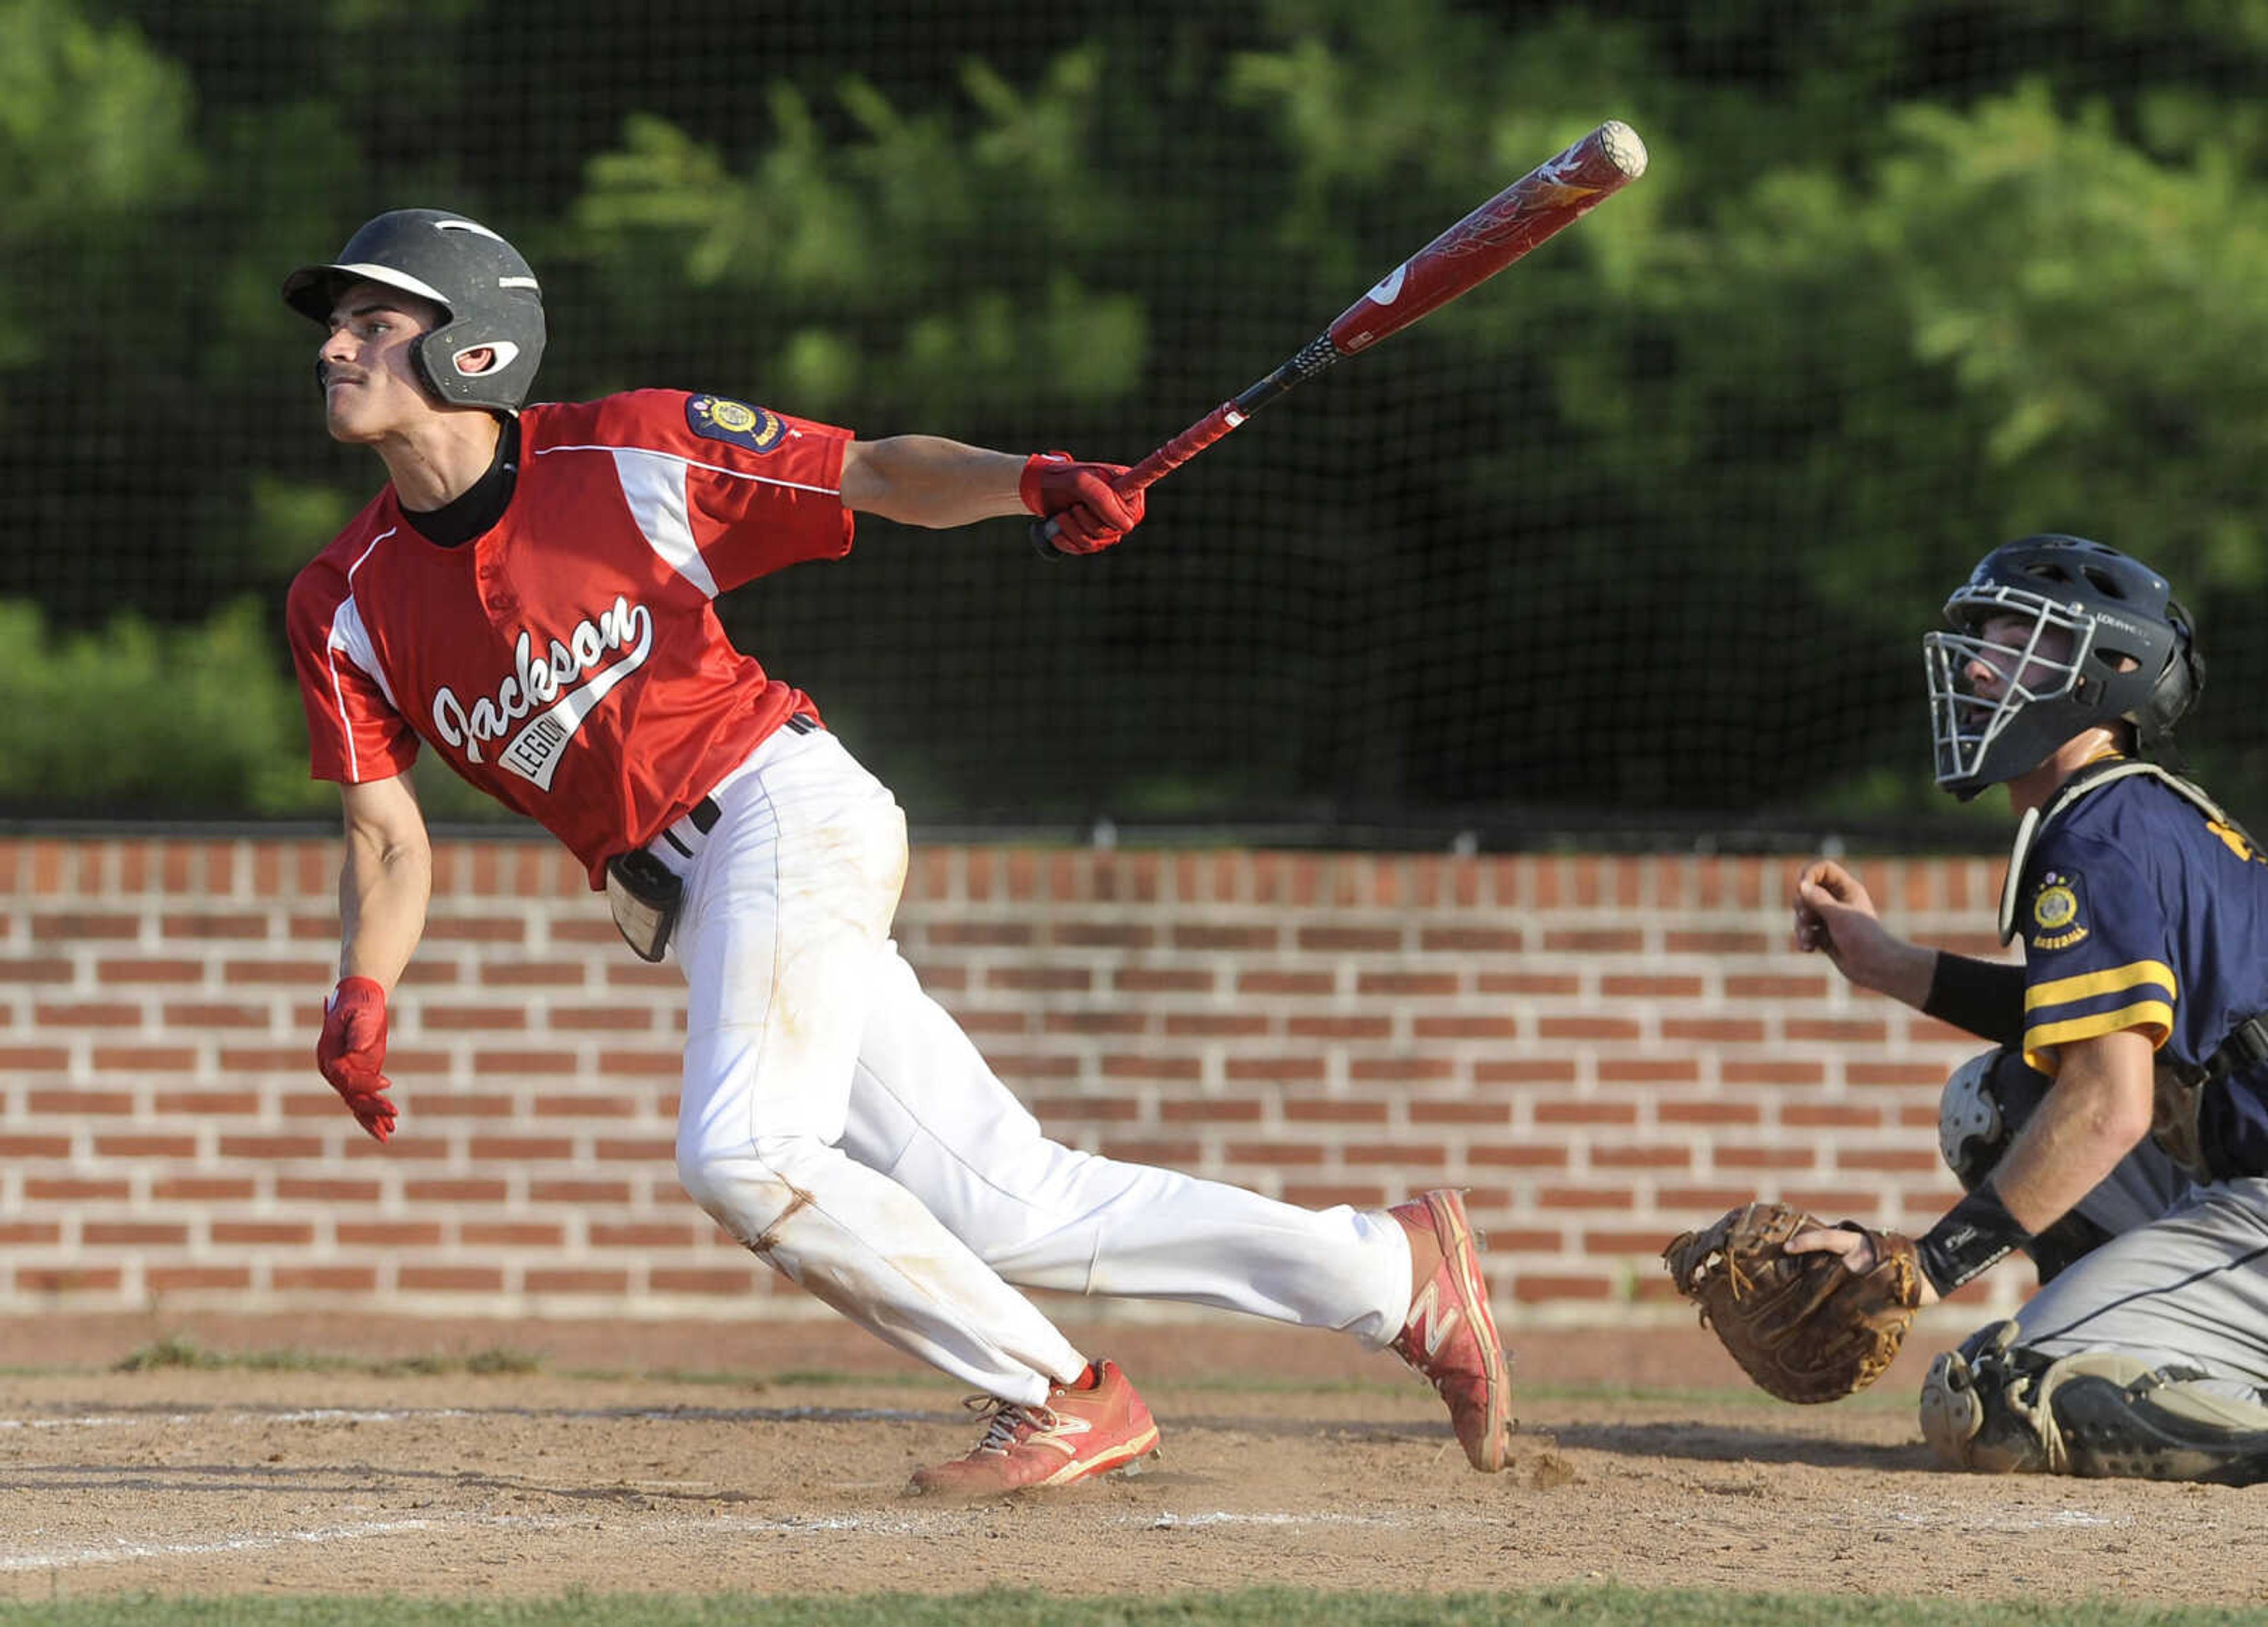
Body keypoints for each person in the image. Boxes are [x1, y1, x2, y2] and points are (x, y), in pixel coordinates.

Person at [281, 207, 1513, 1495]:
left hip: (779, 811)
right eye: (336, 326)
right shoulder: (343, 596)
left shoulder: (625, 448)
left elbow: (871, 473)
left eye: (376, 322)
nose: (335, 348)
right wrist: (362, 990)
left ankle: (1057, 1395)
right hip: (705, 899)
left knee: (743, 1153)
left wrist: (1028, 478)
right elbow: (388, 836)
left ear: (475, 341)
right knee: (1009, 1199)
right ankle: (1390, 1272)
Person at [1788, 533, 2268, 1483]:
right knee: (1995, 1103)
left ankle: (2199, 1364)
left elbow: (2109, 1104)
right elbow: (2086, 1028)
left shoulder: (2098, 838)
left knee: (2000, 1399)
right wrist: (1891, 965)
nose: (1977, 663)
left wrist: (1920, 1265)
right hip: (2246, 1187)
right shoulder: (2135, 812)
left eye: (2020, 642)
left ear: (2106, 674)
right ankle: (2157, 1330)